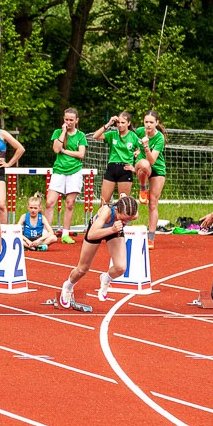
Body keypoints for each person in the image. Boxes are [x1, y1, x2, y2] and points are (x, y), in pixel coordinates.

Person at [58, 196, 140, 308]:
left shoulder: (133, 214)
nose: (125, 222)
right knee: (82, 269)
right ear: (117, 210)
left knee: (121, 268)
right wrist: (112, 229)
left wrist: (115, 228)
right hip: (97, 230)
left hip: (114, 230)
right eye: (123, 218)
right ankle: (68, 287)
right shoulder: (107, 212)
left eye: (128, 220)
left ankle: (106, 278)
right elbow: (91, 235)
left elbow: (127, 206)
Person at [46, 107, 88, 244]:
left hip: (74, 171)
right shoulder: (58, 132)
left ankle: (65, 233)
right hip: (59, 170)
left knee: (69, 203)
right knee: (50, 202)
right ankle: (47, 232)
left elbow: (81, 154)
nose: (68, 122)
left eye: (71, 120)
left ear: (76, 120)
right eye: (66, 119)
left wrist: (64, 151)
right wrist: (63, 132)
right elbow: (56, 149)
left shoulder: (81, 136)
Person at [133, 110, 167, 248]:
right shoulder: (139, 132)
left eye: (151, 122)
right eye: (146, 122)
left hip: (157, 168)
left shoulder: (159, 138)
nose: (148, 125)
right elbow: (129, 142)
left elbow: (152, 160)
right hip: (142, 166)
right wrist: (136, 150)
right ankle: (143, 188)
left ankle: (151, 238)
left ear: (156, 123)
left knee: (153, 203)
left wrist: (146, 146)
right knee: (144, 164)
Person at [92, 111, 140, 204]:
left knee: (123, 203)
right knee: (104, 202)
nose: (120, 125)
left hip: (125, 169)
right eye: (118, 122)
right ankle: (103, 214)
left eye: (123, 122)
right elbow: (95, 136)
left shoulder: (133, 136)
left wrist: (134, 166)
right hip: (112, 167)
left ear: (128, 123)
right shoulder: (112, 134)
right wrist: (108, 124)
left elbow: (143, 149)